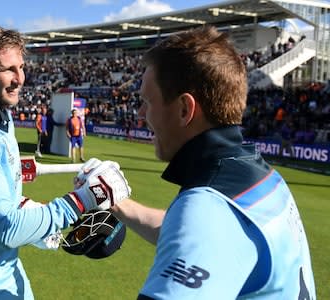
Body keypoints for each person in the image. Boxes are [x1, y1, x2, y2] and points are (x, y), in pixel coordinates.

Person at [108, 26, 315, 299]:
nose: (141, 113)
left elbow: (203, 223)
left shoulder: (209, 204)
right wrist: (118, 203)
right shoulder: (262, 175)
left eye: (148, 101)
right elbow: (196, 235)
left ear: (184, 109)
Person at [0, 25, 130, 300]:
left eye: (21, 67)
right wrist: (85, 198)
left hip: (6, 269)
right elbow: (7, 229)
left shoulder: (2, 118)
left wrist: (31, 211)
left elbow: (2, 202)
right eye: (7, 69)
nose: (19, 78)